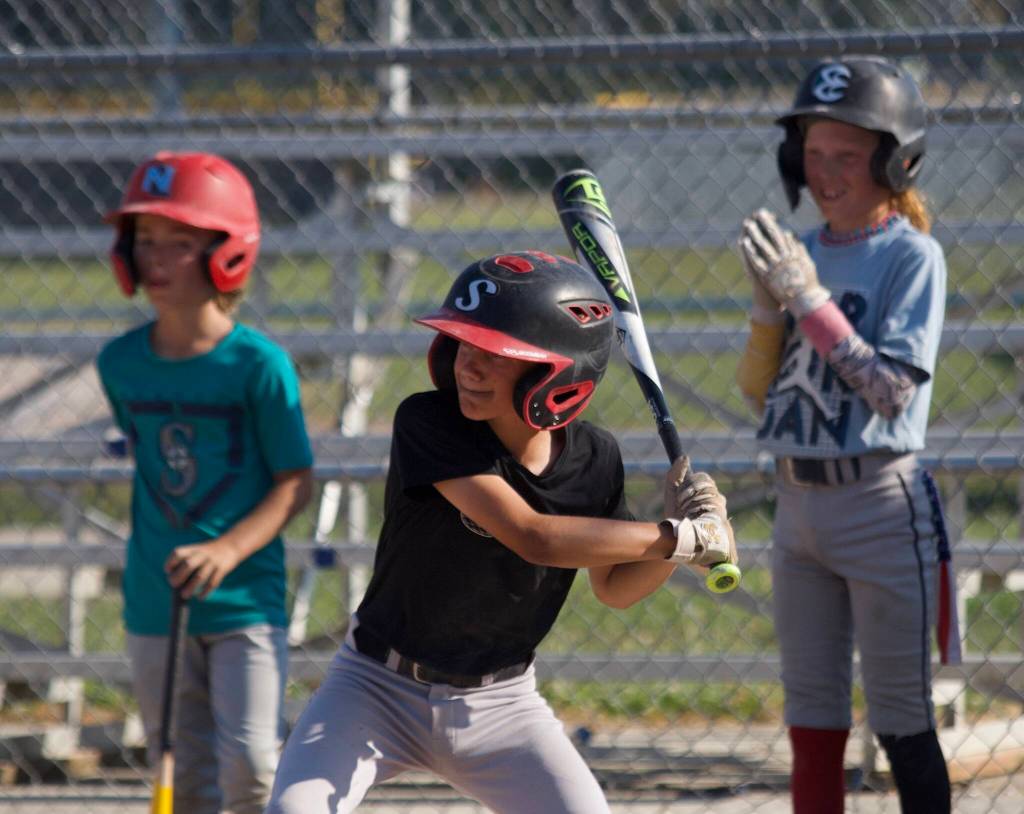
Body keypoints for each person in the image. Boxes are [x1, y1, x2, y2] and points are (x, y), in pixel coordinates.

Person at [265, 250, 738, 813]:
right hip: (374, 691)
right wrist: (679, 537)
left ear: (558, 373)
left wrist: (685, 539)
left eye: (496, 353)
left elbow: (614, 587)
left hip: (502, 706)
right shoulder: (431, 423)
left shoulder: (594, 457)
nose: (468, 365)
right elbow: (534, 535)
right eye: (464, 344)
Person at [735, 56, 960, 813]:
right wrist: (771, 310)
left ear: (894, 162)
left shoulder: (912, 257)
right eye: (813, 153)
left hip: (879, 505)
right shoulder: (801, 249)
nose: (825, 172)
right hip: (797, 506)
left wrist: (807, 299)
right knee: (812, 725)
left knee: (900, 720)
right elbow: (758, 394)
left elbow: (892, 390)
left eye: (847, 156)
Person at [96, 151, 314, 814]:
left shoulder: (260, 366)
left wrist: (225, 550)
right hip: (154, 597)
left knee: (249, 767)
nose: (155, 259)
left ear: (228, 253)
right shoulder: (119, 362)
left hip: (246, 597)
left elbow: (295, 483)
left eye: (180, 243)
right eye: (145, 241)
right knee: (183, 776)